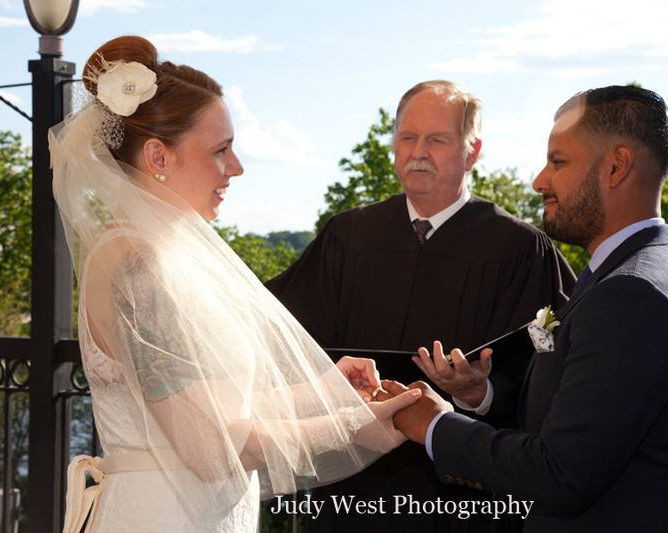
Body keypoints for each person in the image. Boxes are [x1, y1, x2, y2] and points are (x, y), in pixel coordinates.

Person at [51, 36, 421, 533]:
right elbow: (210, 447)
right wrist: (351, 428)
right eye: (221, 150)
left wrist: (330, 390)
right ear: (158, 158)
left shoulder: (167, 256)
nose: (238, 167)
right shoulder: (139, 268)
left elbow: (218, 407)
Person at [386, 85, 668, 532]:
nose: (539, 180)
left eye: (559, 162)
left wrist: (435, 425)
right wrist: (479, 395)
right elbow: (573, 414)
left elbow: (560, 475)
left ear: (616, 166)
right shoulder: (632, 271)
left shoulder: (633, 294)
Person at [266, 80, 575, 532]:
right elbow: (277, 329)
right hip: (351, 494)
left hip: (459, 500)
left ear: (472, 152)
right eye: (407, 137)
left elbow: (551, 367)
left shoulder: (520, 250)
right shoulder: (348, 237)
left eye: (437, 139)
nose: (418, 151)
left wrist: (480, 393)